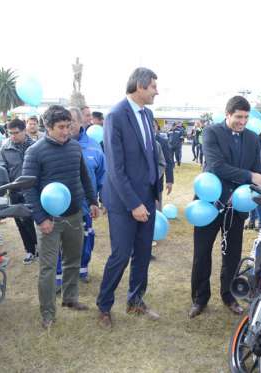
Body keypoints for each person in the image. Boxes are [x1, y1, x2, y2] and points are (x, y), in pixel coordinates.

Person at [189, 96, 261, 319]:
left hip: (237, 207)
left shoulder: (251, 138)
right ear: (227, 114)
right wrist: (251, 176)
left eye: (246, 117)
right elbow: (217, 167)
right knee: (202, 254)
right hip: (210, 205)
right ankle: (199, 299)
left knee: (232, 255)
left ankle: (228, 296)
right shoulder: (211, 132)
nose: (242, 121)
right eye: (238, 117)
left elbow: (257, 171)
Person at [22, 105, 99, 329]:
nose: (66, 131)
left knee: (73, 260)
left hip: (75, 214)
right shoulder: (34, 152)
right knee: (47, 268)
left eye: (69, 126)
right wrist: (40, 218)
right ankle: (47, 312)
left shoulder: (75, 148)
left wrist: (93, 201)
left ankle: (70, 297)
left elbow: (84, 176)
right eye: (61, 127)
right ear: (48, 127)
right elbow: (29, 189)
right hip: (49, 220)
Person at [96, 67, 161, 329]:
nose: (157, 91)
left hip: (147, 198)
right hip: (124, 202)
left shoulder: (148, 114)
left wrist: (154, 194)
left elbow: (150, 158)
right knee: (121, 255)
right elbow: (115, 168)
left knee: (143, 254)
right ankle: (103, 306)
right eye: (154, 86)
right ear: (141, 86)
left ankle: (135, 300)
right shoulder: (115, 116)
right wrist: (134, 203)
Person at [56, 107, 105, 285]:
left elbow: (102, 175)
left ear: (80, 123)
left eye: (72, 123)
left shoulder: (94, 146)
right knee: (58, 243)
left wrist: (101, 200)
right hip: (58, 207)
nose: (68, 128)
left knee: (85, 239)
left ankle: (82, 271)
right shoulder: (54, 145)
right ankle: (59, 277)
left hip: (84, 206)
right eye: (64, 124)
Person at [0, 118, 38, 264]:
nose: (13, 136)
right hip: (15, 191)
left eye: (16, 133)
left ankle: (39, 246)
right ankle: (30, 250)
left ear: (24, 131)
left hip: (34, 190)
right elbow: (2, 169)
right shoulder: (5, 148)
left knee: (37, 221)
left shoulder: (35, 146)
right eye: (10, 133)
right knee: (21, 223)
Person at [154, 120, 174, 209]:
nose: (150, 128)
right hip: (141, 184)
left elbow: (168, 162)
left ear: (157, 127)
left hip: (157, 182)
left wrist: (169, 181)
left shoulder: (162, 142)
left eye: (153, 126)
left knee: (157, 209)